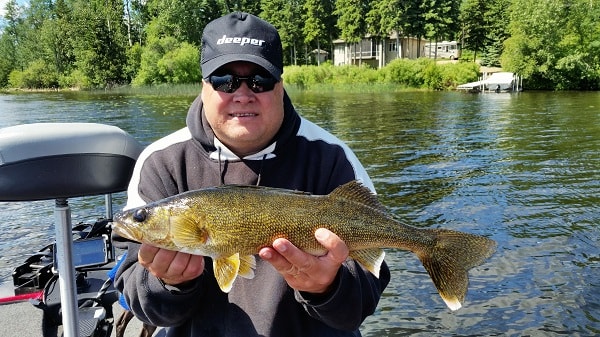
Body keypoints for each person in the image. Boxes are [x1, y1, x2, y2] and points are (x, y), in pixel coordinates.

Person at [114, 11, 390, 337]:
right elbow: (139, 298)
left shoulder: (332, 156)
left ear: (281, 85)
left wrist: (328, 287)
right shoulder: (161, 161)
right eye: (223, 80)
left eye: (259, 80)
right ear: (203, 86)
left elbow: (362, 300)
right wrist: (168, 284)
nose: (242, 93)